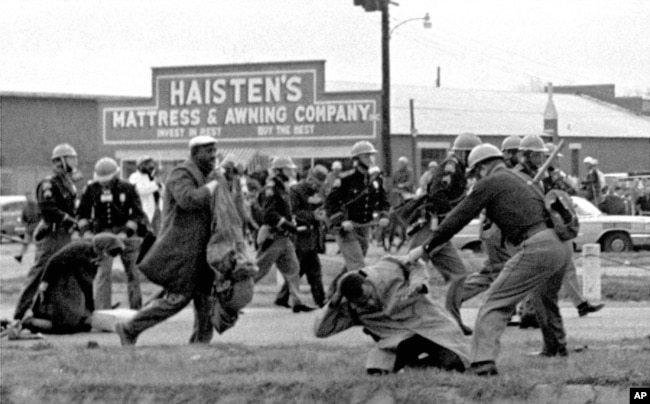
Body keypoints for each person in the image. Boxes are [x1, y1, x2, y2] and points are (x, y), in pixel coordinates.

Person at [409, 143, 573, 376]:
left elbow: (459, 217)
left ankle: (482, 362)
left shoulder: (490, 182)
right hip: (561, 245)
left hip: (538, 245)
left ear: (484, 166)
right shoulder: (518, 178)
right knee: (544, 298)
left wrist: (425, 247)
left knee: (494, 302)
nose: (475, 177)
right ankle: (556, 347)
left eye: (475, 172)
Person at [114, 135, 224, 346]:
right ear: (194, 153)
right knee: (177, 298)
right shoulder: (181, 174)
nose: (213, 155)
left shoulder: (206, 175)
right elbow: (188, 200)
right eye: (208, 150)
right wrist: (212, 186)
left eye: (214, 150)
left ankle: (201, 343)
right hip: (183, 250)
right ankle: (129, 328)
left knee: (205, 298)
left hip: (202, 250)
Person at [314, 256, 470, 375]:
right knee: (377, 372)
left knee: (455, 363)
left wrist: (417, 283)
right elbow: (321, 331)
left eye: (370, 296)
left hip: (428, 326)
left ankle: (418, 367)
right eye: (362, 303)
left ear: (368, 282)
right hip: (397, 342)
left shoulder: (387, 269)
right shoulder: (349, 307)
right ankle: (412, 366)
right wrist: (332, 305)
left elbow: (416, 262)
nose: (370, 303)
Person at [13, 143, 81, 323]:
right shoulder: (49, 184)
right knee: (40, 271)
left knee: (64, 274)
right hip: (52, 235)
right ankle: (21, 311)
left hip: (65, 235)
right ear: (60, 161)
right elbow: (49, 209)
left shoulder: (68, 183)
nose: (75, 161)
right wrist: (68, 220)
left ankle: (58, 310)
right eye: (71, 158)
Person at [406, 133, 481, 284]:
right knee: (412, 271)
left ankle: (451, 308)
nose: (474, 158)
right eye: (470, 153)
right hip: (429, 226)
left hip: (441, 230)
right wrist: (452, 216)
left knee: (459, 276)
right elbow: (437, 193)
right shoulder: (450, 168)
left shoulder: (461, 170)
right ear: (461, 153)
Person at [77, 157, 147, 310]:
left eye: (107, 179)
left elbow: (137, 214)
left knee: (133, 272)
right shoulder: (91, 189)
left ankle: (136, 309)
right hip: (103, 234)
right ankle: (103, 309)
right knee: (103, 273)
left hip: (126, 233)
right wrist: (86, 232)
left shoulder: (128, 188)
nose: (103, 183)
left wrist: (126, 232)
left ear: (115, 175)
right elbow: (82, 214)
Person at [20, 233, 125, 334]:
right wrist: (44, 284)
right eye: (109, 253)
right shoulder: (80, 247)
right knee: (66, 326)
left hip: (72, 289)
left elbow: (87, 284)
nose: (108, 257)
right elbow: (54, 261)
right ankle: (29, 322)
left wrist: (91, 309)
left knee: (83, 325)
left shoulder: (95, 257)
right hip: (59, 285)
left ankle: (42, 322)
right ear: (102, 247)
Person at [325, 141, 390, 292]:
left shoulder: (376, 178)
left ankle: (333, 293)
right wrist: (342, 220)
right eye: (366, 156)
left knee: (351, 266)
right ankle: (358, 301)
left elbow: (384, 201)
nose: (370, 159)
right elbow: (330, 203)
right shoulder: (345, 179)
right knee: (358, 265)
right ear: (357, 159)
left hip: (364, 228)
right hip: (346, 229)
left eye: (371, 155)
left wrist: (384, 215)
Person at [253, 156, 315, 313]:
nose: (291, 171)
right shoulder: (272, 187)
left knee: (293, 268)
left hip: (284, 237)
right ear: (279, 170)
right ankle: (232, 298)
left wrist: (290, 224)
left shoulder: (282, 187)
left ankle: (297, 302)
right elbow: (269, 215)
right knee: (258, 270)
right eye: (288, 168)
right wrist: (286, 224)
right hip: (273, 236)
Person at [275, 165, 329, 308]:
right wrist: (312, 216)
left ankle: (318, 298)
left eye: (320, 184)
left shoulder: (318, 192)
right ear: (310, 178)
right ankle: (319, 298)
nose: (318, 187)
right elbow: (293, 211)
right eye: (316, 183)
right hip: (300, 234)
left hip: (313, 235)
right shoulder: (296, 190)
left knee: (310, 269)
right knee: (301, 268)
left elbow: (321, 207)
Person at [128, 156, 163, 235]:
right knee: (146, 233)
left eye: (150, 163)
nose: (150, 166)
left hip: (157, 208)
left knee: (158, 233)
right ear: (140, 166)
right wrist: (155, 183)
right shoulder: (135, 177)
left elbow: (162, 191)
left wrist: (159, 184)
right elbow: (140, 190)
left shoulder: (152, 176)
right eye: (146, 164)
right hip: (144, 210)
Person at [14, 192, 41, 263]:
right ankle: (20, 256)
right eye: (27, 197)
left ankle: (37, 258)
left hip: (37, 227)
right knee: (25, 243)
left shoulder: (38, 206)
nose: (29, 198)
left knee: (38, 244)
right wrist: (25, 224)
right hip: (29, 228)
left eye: (30, 197)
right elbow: (23, 219)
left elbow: (41, 216)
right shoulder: (25, 208)